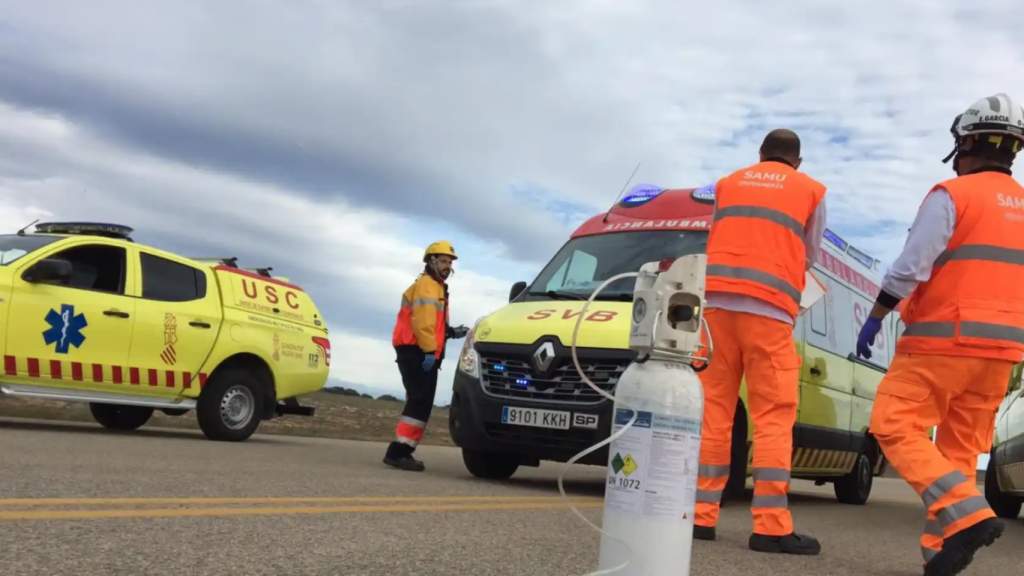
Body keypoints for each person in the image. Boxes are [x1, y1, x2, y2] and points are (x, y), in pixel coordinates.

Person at [856, 93, 1024, 576]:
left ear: (966, 142)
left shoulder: (952, 195)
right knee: (958, 452)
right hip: (1001, 351)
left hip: (941, 340)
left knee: (893, 424)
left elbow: (910, 267)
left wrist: (877, 314)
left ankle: (969, 517)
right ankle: (941, 552)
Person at [693, 128, 827, 556]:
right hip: (769, 311)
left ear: (760, 154)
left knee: (714, 413)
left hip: (715, 310)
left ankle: (699, 516)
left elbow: (715, 236)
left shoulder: (728, 184)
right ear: (797, 161)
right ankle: (769, 526)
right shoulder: (810, 190)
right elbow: (810, 254)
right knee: (773, 417)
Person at [384, 240, 468, 472]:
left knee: (418, 400)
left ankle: (401, 450)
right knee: (419, 401)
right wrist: (430, 351)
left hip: (418, 349)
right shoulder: (428, 286)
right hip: (418, 351)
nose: (448, 266)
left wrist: (451, 332)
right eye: (443, 261)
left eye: (450, 263)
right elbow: (422, 323)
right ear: (431, 261)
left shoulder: (435, 286)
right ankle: (399, 452)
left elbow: (432, 323)